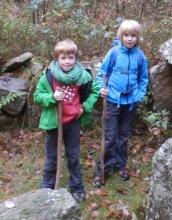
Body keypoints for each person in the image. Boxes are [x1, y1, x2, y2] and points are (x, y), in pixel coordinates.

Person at [33, 39, 101, 202]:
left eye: (71, 57)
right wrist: (52, 97)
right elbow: (37, 96)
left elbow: (95, 90)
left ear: (76, 58)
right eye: (63, 58)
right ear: (57, 59)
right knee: (52, 157)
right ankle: (47, 187)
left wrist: (85, 107)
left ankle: (76, 187)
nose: (67, 61)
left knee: (73, 156)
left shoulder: (83, 75)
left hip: (72, 122)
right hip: (54, 123)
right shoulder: (48, 76)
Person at [93, 20, 149, 187]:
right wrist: (100, 89)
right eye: (126, 35)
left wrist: (139, 95)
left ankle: (120, 165)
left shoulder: (140, 57)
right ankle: (102, 169)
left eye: (133, 35)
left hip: (130, 103)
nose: (129, 39)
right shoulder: (114, 53)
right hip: (112, 101)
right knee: (110, 137)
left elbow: (143, 78)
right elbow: (100, 76)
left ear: (138, 37)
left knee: (123, 136)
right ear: (121, 36)